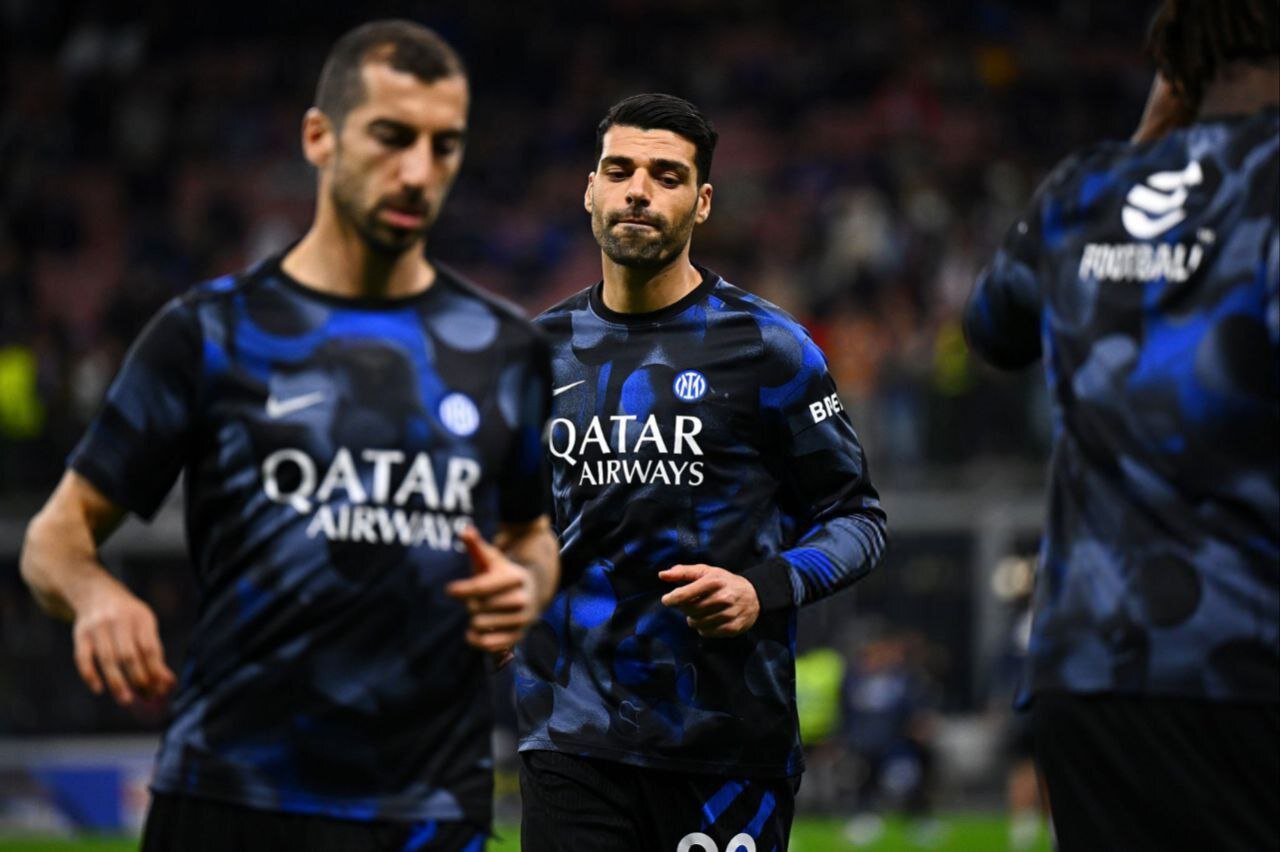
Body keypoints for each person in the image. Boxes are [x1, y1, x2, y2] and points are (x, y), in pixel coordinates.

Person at [19, 20, 559, 852]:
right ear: (319, 137)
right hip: (231, 796)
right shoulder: (210, 333)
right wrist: (97, 595)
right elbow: (54, 539)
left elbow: (532, 535)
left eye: (444, 146)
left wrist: (526, 585)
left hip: (427, 809)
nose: (419, 171)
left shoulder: (505, 349)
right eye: (391, 136)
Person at [515, 93, 887, 852]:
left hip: (726, 750)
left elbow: (858, 518)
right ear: (590, 190)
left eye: (667, 175)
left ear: (703, 201)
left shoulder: (768, 349)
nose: (638, 191)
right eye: (619, 170)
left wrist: (762, 587)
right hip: (570, 741)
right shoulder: (532, 356)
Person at [964, 2, 1278, 849]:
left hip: (1090, 672)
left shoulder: (1085, 188)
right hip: (1247, 661)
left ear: (1173, 71)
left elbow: (992, 326)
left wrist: (1148, 150)